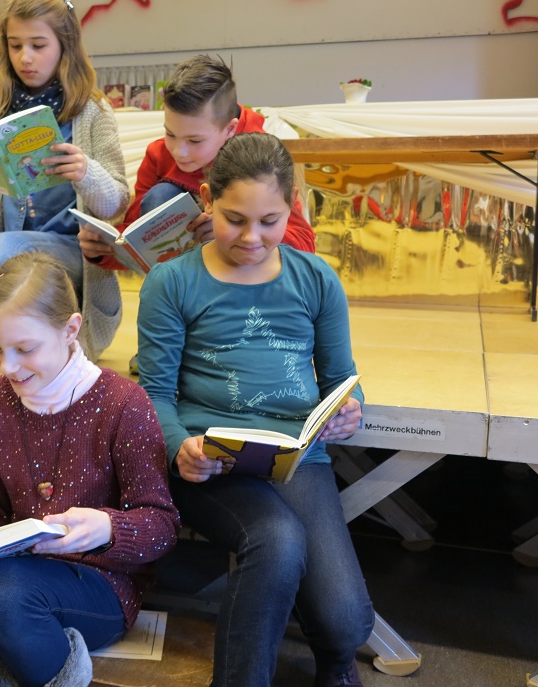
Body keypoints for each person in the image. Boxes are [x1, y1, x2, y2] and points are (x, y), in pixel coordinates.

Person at [137, 133, 374, 687]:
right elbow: (155, 395)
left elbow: (342, 378)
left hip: (297, 458)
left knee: (345, 623)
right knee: (278, 540)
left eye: (270, 221)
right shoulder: (172, 282)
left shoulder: (315, 278)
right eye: (234, 219)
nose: (251, 237)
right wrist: (178, 449)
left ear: (293, 206)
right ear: (206, 200)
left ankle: (335, 666)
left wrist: (349, 409)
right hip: (212, 460)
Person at [0, 251, 179, 687]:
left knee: (3, 592)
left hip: (101, 579)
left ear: (71, 329)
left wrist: (108, 527)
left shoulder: (124, 404)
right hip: (15, 564)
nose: (7, 366)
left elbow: (162, 525)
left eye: (25, 349)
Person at [0, 0, 129, 362]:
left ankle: (32, 330)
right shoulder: (0, 113)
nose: (25, 57)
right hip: (7, 268)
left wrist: (85, 172)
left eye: (38, 45)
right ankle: (25, 335)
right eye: (15, 45)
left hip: (71, 261)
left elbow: (116, 204)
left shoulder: (92, 111)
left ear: (65, 45)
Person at [78, 54, 316, 273]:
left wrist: (230, 231)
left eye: (194, 140)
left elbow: (305, 246)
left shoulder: (262, 159)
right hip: (180, 279)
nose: (178, 151)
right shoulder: (159, 155)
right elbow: (135, 238)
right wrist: (103, 248)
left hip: (245, 279)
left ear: (230, 129)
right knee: (162, 194)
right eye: (170, 134)